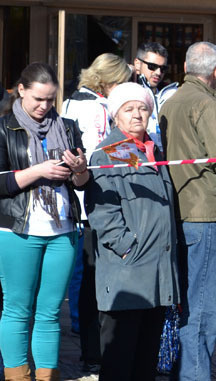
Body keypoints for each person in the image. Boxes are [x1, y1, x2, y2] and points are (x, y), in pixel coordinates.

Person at [160, 41, 216, 380]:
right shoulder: (206, 105)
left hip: (178, 209)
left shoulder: (170, 103)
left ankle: (182, 371)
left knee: (183, 301)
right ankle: (194, 375)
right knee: (202, 307)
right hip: (206, 212)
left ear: (184, 67)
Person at [0, 62, 89, 381]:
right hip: (17, 230)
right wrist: (38, 172)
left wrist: (80, 169)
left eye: (51, 100)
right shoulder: (3, 127)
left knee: (50, 313)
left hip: (63, 230)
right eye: (38, 98)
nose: (44, 106)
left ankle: (46, 377)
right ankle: (17, 376)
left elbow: (82, 183)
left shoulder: (67, 126)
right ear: (20, 90)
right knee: (17, 310)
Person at [85, 82, 178, 381]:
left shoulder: (154, 150)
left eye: (142, 107)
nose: (137, 114)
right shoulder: (107, 153)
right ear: (116, 116)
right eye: (129, 109)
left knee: (145, 363)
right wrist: (128, 246)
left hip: (157, 271)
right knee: (119, 361)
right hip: (127, 271)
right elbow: (102, 210)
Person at [61, 52, 131, 374]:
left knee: (86, 278)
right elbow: (103, 150)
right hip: (95, 197)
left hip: (81, 197)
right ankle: (95, 348)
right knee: (92, 279)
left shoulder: (73, 101)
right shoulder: (96, 107)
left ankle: (91, 347)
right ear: (110, 80)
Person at [134, 42, 178, 153]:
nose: (158, 73)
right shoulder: (127, 92)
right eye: (152, 67)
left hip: (163, 159)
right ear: (138, 64)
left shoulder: (170, 93)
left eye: (163, 68)